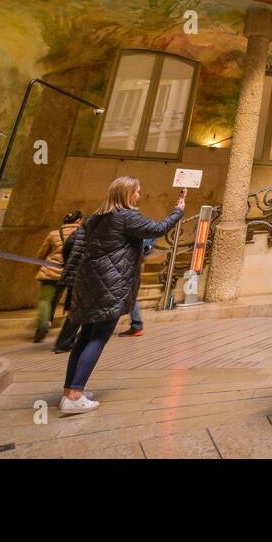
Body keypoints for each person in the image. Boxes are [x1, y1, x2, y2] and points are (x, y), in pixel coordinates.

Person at [61, 177, 184, 413]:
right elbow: (158, 229)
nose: (139, 195)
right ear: (126, 194)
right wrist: (178, 211)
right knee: (98, 338)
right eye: (137, 192)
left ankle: (70, 390)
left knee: (84, 336)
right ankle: (75, 395)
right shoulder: (126, 216)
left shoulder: (94, 219)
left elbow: (75, 245)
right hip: (112, 284)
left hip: (89, 283)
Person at [33, 211, 80, 343]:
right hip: (67, 272)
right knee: (55, 299)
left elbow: (42, 252)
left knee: (45, 299)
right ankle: (48, 322)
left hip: (49, 270)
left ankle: (43, 323)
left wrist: (37, 265)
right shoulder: (81, 234)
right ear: (78, 221)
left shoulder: (53, 234)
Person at [53, 216, 87, 353]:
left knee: (76, 309)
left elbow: (67, 247)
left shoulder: (82, 229)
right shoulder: (101, 229)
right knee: (79, 309)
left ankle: (65, 341)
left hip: (75, 273)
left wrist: (70, 264)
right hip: (86, 275)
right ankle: (65, 342)